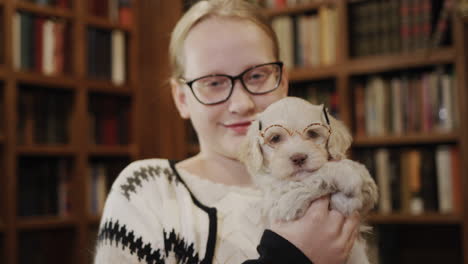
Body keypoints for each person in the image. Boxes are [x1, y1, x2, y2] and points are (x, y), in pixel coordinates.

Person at [93, 0, 360, 263]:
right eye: (213, 82)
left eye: (257, 76)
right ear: (182, 98)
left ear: (283, 82)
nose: (242, 104)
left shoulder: (328, 181)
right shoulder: (148, 189)